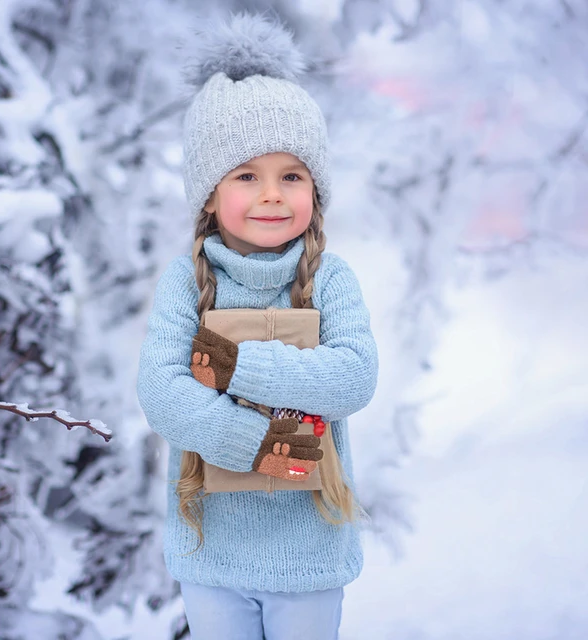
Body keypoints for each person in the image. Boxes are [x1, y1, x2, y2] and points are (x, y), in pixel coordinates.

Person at [137, 13, 379, 640]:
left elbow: (352, 376)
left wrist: (231, 362)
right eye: (247, 175)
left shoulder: (330, 279)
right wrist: (274, 449)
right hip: (211, 550)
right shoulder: (186, 284)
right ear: (209, 195)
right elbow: (164, 391)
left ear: (315, 191)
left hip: (308, 552)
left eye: (291, 176)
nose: (272, 194)